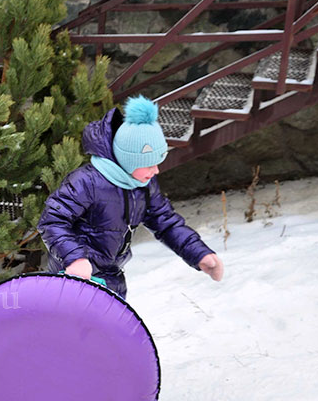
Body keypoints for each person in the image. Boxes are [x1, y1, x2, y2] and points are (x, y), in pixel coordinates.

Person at [38, 96, 224, 298]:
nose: (157, 170)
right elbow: (52, 220)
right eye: (149, 163)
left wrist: (199, 253)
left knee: (110, 329)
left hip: (111, 277)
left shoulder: (143, 184)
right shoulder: (87, 181)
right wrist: (74, 259)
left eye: (158, 162)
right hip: (74, 276)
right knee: (71, 327)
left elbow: (166, 222)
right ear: (128, 159)